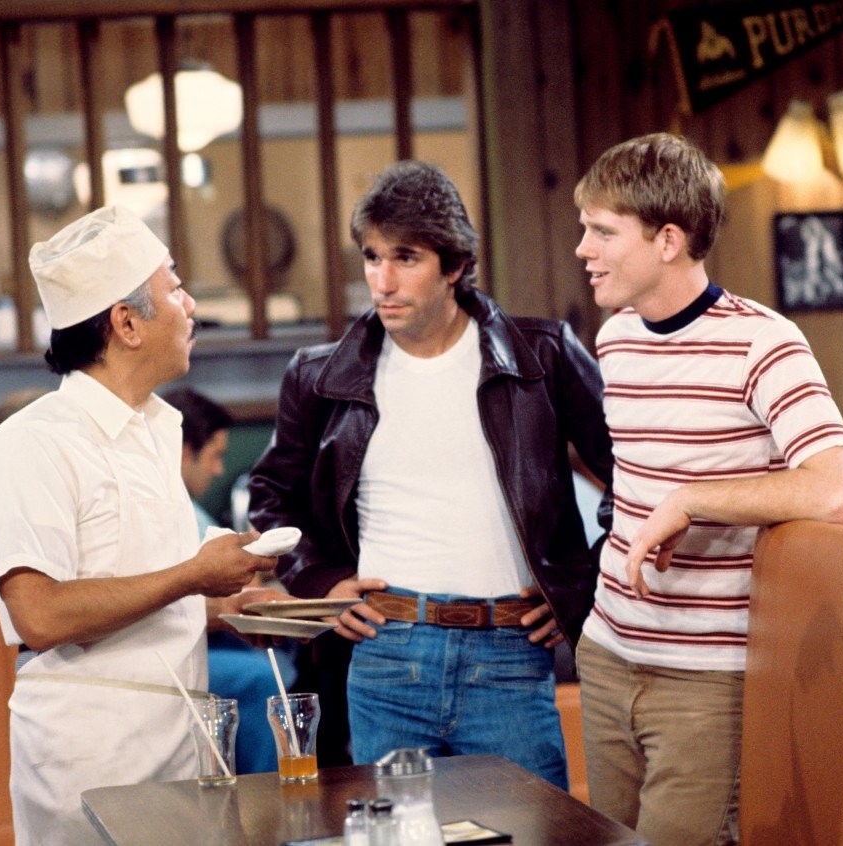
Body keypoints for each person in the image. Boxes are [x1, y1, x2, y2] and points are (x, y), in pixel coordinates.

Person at [246, 160, 614, 788]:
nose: (382, 281)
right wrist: (322, 581)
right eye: (371, 257)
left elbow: (635, 475)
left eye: (405, 257)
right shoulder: (319, 375)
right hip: (386, 653)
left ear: (455, 266)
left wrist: (583, 589)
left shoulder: (541, 354)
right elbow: (271, 501)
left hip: (509, 654)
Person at [572, 133, 843, 845]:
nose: (583, 248)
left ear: (668, 240)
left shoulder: (766, 343)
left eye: (602, 231)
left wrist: (690, 500)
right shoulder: (614, 339)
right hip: (606, 656)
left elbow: (835, 488)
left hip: (707, 683)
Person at [0, 205, 290, 845]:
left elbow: (154, 594)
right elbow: (41, 614)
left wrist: (242, 605)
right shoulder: (31, 444)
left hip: (183, 746)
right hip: (92, 760)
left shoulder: (156, 429)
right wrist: (195, 575)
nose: (192, 303)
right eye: (174, 287)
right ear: (126, 324)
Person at [160, 386, 297, 775]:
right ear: (187, 452)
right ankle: (267, 800)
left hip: (199, 639)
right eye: (216, 455)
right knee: (266, 675)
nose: (220, 469)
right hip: (172, 647)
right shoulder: (176, 512)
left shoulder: (191, 511)